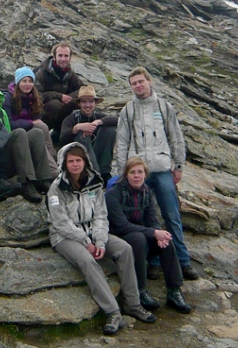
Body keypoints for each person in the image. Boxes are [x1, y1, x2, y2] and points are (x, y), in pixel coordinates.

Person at [47, 142, 156, 335]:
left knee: (125, 249)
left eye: (78, 160)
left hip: (92, 232)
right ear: (64, 163)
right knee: (87, 260)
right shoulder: (56, 188)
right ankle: (113, 312)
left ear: (85, 161)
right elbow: (61, 223)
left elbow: (100, 216)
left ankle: (133, 303)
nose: (75, 164)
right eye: (70, 161)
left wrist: (99, 241)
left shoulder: (95, 184)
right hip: (64, 236)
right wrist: (86, 242)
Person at [115, 66, 200, 280]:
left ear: (149, 81)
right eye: (134, 83)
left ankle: (183, 261)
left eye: (141, 81)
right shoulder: (128, 110)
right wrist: (120, 172)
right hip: (137, 172)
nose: (138, 86)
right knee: (145, 219)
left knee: (172, 216)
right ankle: (153, 262)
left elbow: (176, 137)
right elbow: (122, 142)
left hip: (162, 170)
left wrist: (178, 165)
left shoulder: (164, 107)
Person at [106, 157, 191, 314]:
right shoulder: (113, 194)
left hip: (142, 233)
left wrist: (158, 233)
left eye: (140, 172)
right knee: (138, 240)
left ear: (145, 175)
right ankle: (141, 290)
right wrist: (153, 232)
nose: (136, 176)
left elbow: (152, 220)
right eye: (132, 172)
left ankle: (174, 290)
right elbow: (120, 225)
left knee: (167, 240)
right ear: (126, 175)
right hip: (120, 236)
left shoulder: (147, 192)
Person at [0, 84, 54, 202]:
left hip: (6, 156)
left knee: (37, 133)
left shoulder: (2, 114)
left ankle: (43, 179)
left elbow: (6, 134)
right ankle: (26, 182)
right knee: (19, 133)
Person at [3, 67, 58, 177]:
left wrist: (33, 123)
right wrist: (30, 123)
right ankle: (53, 171)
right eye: (24, 81)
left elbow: (37, 117)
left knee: (42, 127)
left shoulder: (33, 97)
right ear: (18, 82)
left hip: (32, 132)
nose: (28, 84)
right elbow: (10, 124)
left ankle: (53, 159)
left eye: (30, 81)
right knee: (38, 128)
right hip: (17, 135)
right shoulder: (8, 98)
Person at [60, 86, 117, 186]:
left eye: (91, 102)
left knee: (110, 130)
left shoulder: (97, 116)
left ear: (95, 103)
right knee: (82, 134)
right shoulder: (71, 118)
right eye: (84, 102)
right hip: (78, 159)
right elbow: (62, 138)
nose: (87, 105)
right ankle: (93, 173)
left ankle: (105, 172)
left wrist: (98, 122)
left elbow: (115, 120)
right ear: (79, 104)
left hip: (96, 153)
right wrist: (77, 128)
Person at [34, 42, 83, 142]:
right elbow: (36, 94)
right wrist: (59, 96)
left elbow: (82, 89)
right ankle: (44, 135)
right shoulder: (42, 72)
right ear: (54, 57)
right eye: (60, 55)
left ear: (70, 58)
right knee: (54, 104)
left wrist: (69, 97)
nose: (63, 59)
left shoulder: (70, 73)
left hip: (61, 109)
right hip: (43, 110)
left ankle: (63, 133)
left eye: (66, 56)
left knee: (77, 103)